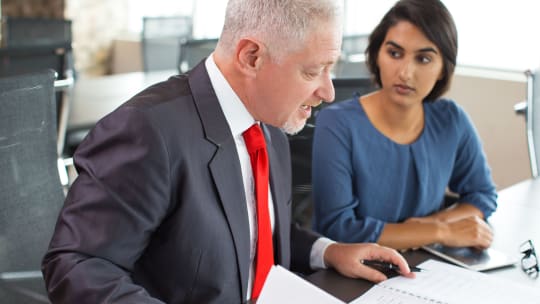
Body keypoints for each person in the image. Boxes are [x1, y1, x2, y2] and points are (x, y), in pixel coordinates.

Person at [42, 1, 414, 303]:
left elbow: (253, 232)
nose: (328, 92)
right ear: (251, 57)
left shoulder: (270, 123)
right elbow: (77, 264)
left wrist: (327, 252)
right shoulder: (147, 131)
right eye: (313, 71)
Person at [312, 0, 497, 250]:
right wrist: (439, 231)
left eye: (423, 59)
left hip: (426, 268)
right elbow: (338, 228)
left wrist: (430, 226)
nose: (405, 73)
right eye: (394, 53)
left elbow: (482, 195)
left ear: (443, 68)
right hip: (352, 274)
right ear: (377, 55)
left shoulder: (451, 120)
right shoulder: (337, 124)